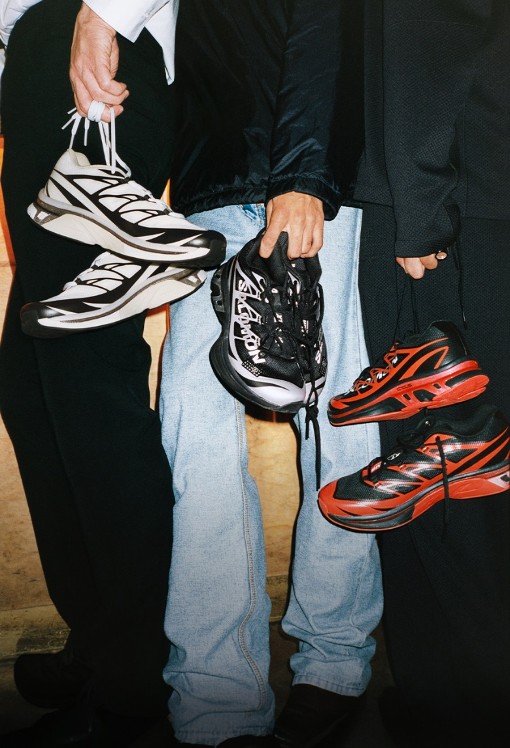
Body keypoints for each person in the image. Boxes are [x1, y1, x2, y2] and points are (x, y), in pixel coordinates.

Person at [67, 1, 384, 747]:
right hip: (210, 187)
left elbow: (326, 21)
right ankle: (216, 691)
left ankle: (334, 656)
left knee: (336, 423)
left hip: (310, 185)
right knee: (194, 434)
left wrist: (303, 174)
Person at [0, 0, 181, 745]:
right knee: (32, 388)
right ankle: (105, 637)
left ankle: (135, 679)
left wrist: (104, 15)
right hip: (40, 58)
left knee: (88, 384)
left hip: (97, 49)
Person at [351, 0, 510, 745]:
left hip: (452, 189)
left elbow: (434, 18)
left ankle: (461, 712)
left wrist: (417, 202)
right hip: (479, 172)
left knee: (447, 469)